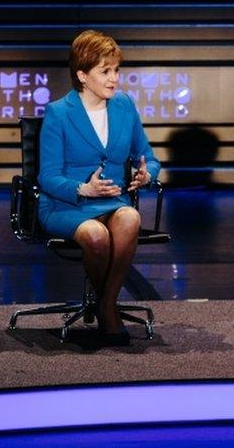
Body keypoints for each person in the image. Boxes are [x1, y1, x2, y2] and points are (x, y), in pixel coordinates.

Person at [37, 30, 160, 345]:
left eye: (116, 70)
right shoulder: (58, 114)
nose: (114, 78)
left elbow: (148, 157)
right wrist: (83, 189)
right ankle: (108, 308)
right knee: (95, 235)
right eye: (105, 71)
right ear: (82, 75)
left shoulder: (124, 107)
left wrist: (147, 175)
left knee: (130, 218)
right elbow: (47, 177)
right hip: (65, 205)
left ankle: (105, 304)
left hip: (112, 202)